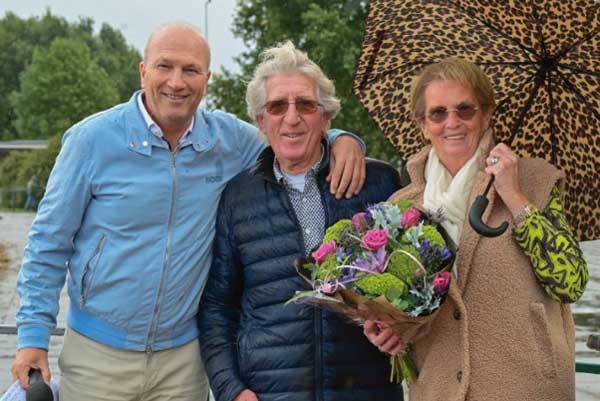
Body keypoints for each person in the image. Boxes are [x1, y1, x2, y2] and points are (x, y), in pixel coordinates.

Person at [12, 23, 367, 401]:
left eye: (191, 70)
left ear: (206, 79)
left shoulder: (229, 141)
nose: (176, 82)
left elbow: (289, 134)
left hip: (184, 362)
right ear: (143, 71)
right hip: (97, 356)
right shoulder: (91, 141)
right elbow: (48, 243)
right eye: (164, 66)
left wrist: (341, 139)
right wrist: (33, 336)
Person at [364, 57, 588, 401]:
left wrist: (514, 196)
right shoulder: (401, 207)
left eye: (465, 110)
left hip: (526, 387)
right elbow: (408, 311)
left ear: (486, 114)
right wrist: (392, 332)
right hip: (438, 390)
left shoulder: (534, 180)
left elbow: (570, 281)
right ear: (422, 124)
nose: (452, 122)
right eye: (438, 113)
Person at [197, 41, 405, 401]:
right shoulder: (237, 197)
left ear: (325, 116)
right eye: (277, 106)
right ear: (261, 121)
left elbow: (413, 284)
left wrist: (403, 329)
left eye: (305, 105)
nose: (291, 118)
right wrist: (231, 390)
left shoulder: (378, 183)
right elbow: (217, 308)